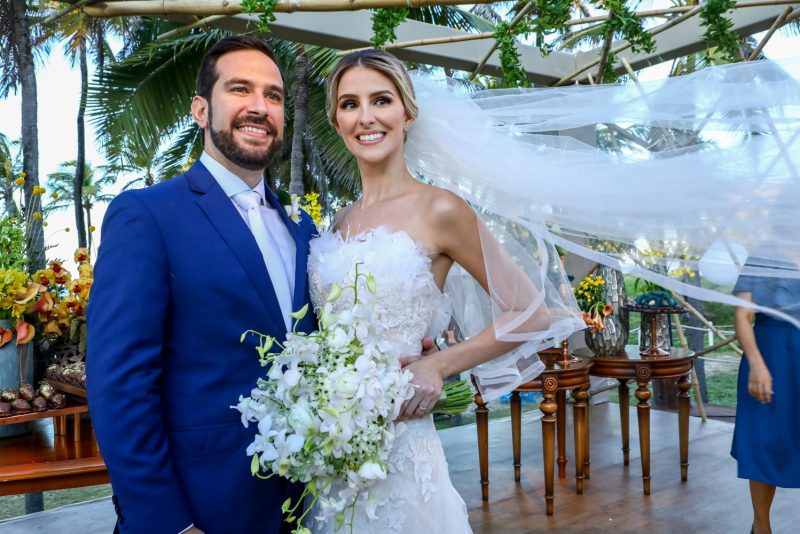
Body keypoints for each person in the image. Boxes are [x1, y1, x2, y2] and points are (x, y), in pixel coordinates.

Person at [305, 49, 582, 534]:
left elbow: (532, 314)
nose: (366, 117)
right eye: (349, 104)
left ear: (406, 114)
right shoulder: (341, 221)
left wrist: (439, 363)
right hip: (339, 452)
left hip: (404, 448)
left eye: (381, 100)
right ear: (336, 120)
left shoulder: (442, 209)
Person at [86, 36, 319, 533]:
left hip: (299, 508)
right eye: (240, 89)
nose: (259, 107)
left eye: (274, 96)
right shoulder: (147, 214)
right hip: (199, 511)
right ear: (200, 108)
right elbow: (120, 385)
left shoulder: (305, 230)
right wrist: (167, 523)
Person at [731, 263, 800, 534]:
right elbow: (741, 315)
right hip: (771, 355)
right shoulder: (764, 255)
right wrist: (757, 365)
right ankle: (761, 526)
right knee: (764, 439)